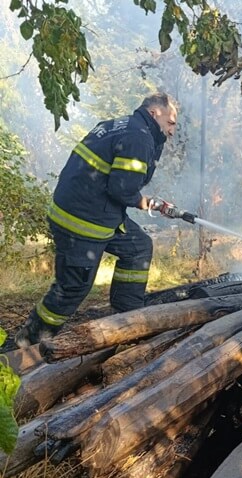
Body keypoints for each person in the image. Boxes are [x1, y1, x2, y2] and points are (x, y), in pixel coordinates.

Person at [15, 92, 178, 348]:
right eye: (171, 122)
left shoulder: (119, 125)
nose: (172, 131)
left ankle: (127, 317)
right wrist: (148, 203)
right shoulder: (138, 137)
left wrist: (148, 200)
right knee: (73, 286)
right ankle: (28, 344)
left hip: (98, 213)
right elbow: (122, 189)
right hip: (82, 222)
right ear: (154, 113)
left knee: (138, 247)